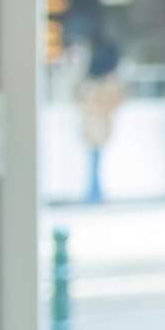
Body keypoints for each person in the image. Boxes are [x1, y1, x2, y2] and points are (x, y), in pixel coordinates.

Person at [74, 36, 124, 204]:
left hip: (96, 130)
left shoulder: (95, 85)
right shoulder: (96, 86)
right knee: (94, 161)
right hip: (95, 129)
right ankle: (94, 194)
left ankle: (94, 193)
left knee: (95, 161)